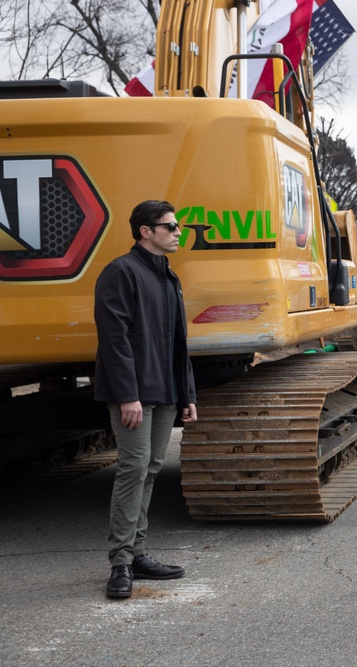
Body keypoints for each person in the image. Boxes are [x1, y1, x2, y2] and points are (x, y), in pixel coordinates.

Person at [94, 200, 198, 599]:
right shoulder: (121, 272)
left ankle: (137, 553)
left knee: (151, 468)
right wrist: (127, 396)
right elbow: (114, 339)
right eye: (170, 227)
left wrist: (186, 393)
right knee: (133, 469)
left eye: (178, 227)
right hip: (135, 394)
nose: (177, 232)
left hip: (165, 391)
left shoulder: (169, 278)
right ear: (145, 231)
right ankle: (120, 562)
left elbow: (178, 344)